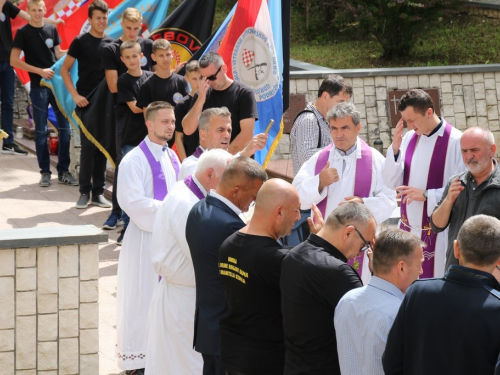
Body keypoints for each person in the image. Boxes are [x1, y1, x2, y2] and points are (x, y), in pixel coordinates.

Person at [146, 148, 233, 374]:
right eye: (228, 178)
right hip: (184, 300)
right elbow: (202, 256)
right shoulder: (188, 204)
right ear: (210, 174)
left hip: (188, 295)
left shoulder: (192, 192)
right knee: (185, 365)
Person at [382, 214, 500, 375]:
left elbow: (392, 360)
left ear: (456, 248)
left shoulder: (419, 292)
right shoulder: (496, 308)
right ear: (499, 260)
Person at [293, 101, 396, 282]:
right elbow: (297, 196)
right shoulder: (319, 160)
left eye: (344, 128)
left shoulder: (375, 160)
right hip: (326, 239)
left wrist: (363, 204)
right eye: (334, 129)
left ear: (358, 127)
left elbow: (390, 199)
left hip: (359, 244)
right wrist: (319, 182)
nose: (338, 134)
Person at [186, 157, 267, 375]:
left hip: (207, 325)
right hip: (228, 332)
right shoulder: (231, 226)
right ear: (236, 191)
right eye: (252, 197)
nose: (252, 203)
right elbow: (248, 280)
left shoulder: (197, 209)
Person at [115, 101, 180, 374]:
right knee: (141, 299)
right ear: (149, 124)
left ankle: (161, 356)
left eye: (173, 121)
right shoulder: (134, 160)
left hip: (168, 241)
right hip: (144, 241)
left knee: (164, 300)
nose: (170, 126)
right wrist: (172, 210)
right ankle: (138, 363)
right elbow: (131, 202)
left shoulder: (172, 156)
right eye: (164, 122)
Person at [280, 202, 376, 375]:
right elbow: (371, 326)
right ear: (348, 232)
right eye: (364, 245)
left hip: (294, 365)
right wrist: (378, 274)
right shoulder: (338, 273)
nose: (361, 253)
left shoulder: (293, 254)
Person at [218, 179, 301, 375]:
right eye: (296, 210)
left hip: (234, 354)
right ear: (279, 212)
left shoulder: (228, 244)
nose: (298, 217)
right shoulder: (277, 260)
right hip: (266, 361)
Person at [383, 88, 464, 278]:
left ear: (429, 112)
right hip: (408, 231)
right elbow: (391, 181)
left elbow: (461, 188)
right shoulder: (410, 138)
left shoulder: (455, 141)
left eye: (412, 120)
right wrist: (395, 150)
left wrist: (428, 195)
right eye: (405, 121)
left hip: (438, 234)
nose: (410, 127)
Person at [334, 229, 424, 375]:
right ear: (401, 267)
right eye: (418, 265)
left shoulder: (346, 300)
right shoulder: (402, 314)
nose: (420, 271)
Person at [10, 0, 76, 187]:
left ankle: (63, 171)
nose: (37, 13)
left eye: (40, 10)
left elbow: (57, 53)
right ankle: (45, 172)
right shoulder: (23, 33)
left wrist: (75, 49)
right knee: (41, 131)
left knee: (65, 130)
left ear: (44, 10)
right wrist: (39, 71)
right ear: (29, 11)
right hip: (39, 87)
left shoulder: (51, 30)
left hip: (56, 86)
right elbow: (14, 60)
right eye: (34, 10)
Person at [101, 7, 155, 231]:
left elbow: (154, 79)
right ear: (121, 24)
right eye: (129, 28)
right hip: (124, 116)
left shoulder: (148, 45)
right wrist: (147, 104)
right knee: (123, 166)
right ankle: (116, 214)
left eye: (136, 28)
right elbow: (114, 85)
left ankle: (141, 217)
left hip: (149, 121)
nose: (133, 33)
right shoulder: (112, 49)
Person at [61, 0, 113, 209]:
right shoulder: (80, 41)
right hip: (84, 101)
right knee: (88, 148)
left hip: (105, 103)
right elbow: (64, 69)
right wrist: (74, 95)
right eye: (98, 18)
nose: (102, 21)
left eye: (104, 17)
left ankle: (98, 193)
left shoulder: (112, 43)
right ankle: (84, 191)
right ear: (90, 19)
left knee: (102, 148)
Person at [431, 126, 500, 269]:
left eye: (474, 150)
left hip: (490, 277)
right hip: (455, 271)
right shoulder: (455, 182)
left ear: (492, 150)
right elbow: (436, 225)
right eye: (464, 151)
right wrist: (448, 200)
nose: (469, 157)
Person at [0, 0, 61, 156]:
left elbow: (30, 17)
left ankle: (8, 143)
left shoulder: (7, 6)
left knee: (8, 103)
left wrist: (52, 22)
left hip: (6, 61)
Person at [112, 41, 155, 244]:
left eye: (135, 56)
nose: (131, 60)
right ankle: (126, 227)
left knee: (148, 185)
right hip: (131, 139)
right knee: (131, 186)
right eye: (127, 57)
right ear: (122, 60)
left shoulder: (151, 77)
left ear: (142, 57)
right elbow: (136, 108)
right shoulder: (123, 80)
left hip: (151, 139)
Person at [182, 52, 258, 155]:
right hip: (207, 163)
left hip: (234, 163)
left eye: (212, 77)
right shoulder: (202, 94)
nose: (208, 82)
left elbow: (246, 135)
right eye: (204, 78)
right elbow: (187, 129)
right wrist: (200, 100)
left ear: (224, 69)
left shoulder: (243, 93)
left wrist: (223, 160)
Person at [178, 107, 267, 180]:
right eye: (220, 130)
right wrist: (245, 152)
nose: (227, 135)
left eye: (229, 130)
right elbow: (213, 181)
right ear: (203, 134)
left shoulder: (230, 160)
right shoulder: (190, 165)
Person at [290, 75, 352, 175]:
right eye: (340, 102)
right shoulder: (309, 120)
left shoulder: (327, 118)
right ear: (325, 97)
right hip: (311, 188)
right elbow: (306, 157)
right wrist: (340, 148)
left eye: (346, 103)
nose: (343, 107)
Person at [136, 38, 188, 124]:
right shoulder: (147, 85)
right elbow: (147, 118)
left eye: (168, 54)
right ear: (153, 57)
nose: (165, 59)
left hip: (179, 132)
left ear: (172, 54)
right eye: (161, 55)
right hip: (158, 134)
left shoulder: (181, 81)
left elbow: (187, 109)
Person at [174, 60, 201, 160]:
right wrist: (185, 161)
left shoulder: (212, 99)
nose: (198, 83)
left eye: (201, 78)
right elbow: (178, 138)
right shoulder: (182, 105)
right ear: (187, 79)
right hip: (191, 156)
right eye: (194, 79)